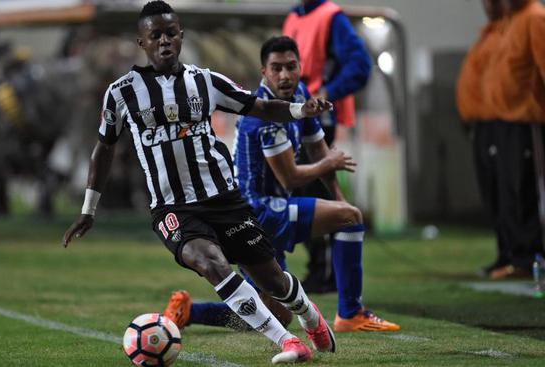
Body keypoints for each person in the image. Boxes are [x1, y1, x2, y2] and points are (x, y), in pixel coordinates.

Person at [62, 1, 337, 364]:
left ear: (180, 37)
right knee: (210, 263)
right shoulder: (121, 93)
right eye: (155, 35)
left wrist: (301, 110)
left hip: (224, 198)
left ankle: (310, 318)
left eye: (170, 34)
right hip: (172, 207)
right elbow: (104, 149)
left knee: (273, 280)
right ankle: (287, 342)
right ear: (141, 43)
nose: (164, 41)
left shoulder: (205, 81)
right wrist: (88, 209)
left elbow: (258, 106)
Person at [163, 36, 399, 333]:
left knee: (274, 316)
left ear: (301, 67)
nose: (285, 75)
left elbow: (318, 150)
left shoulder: (300, 95)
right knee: (351, 218)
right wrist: (332, 178)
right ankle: (351, 312)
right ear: (264, 72)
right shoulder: (265, 117)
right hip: (259, 212)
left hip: (269, 211)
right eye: (276, 68)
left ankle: (189, 311)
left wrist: (339, 200)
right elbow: (292, 177)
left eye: (291, 66)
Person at [282, 0, 372, 293]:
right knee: (307, 190)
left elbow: (360, 65)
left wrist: (327, 92)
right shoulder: (295, 17)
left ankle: (328, 271)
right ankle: (321, 269)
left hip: (319, 118)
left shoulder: (331, 17)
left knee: (316, 192)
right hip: (296, 115)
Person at [477, 0, 545, 278]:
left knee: (525, 189)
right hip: (502, 121)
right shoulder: (510, 22)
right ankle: (515, 255)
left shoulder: (534, 18)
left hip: (525, 121)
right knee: (507, 192)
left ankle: (529, 257)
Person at [456, 0, 509, 278]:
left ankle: (522, 256)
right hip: (483, 124)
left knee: (511, 191)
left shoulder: (518, 27)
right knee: (494, 192)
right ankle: (506, 253)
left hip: (506, 121)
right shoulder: (491, 32)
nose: (488, 5)